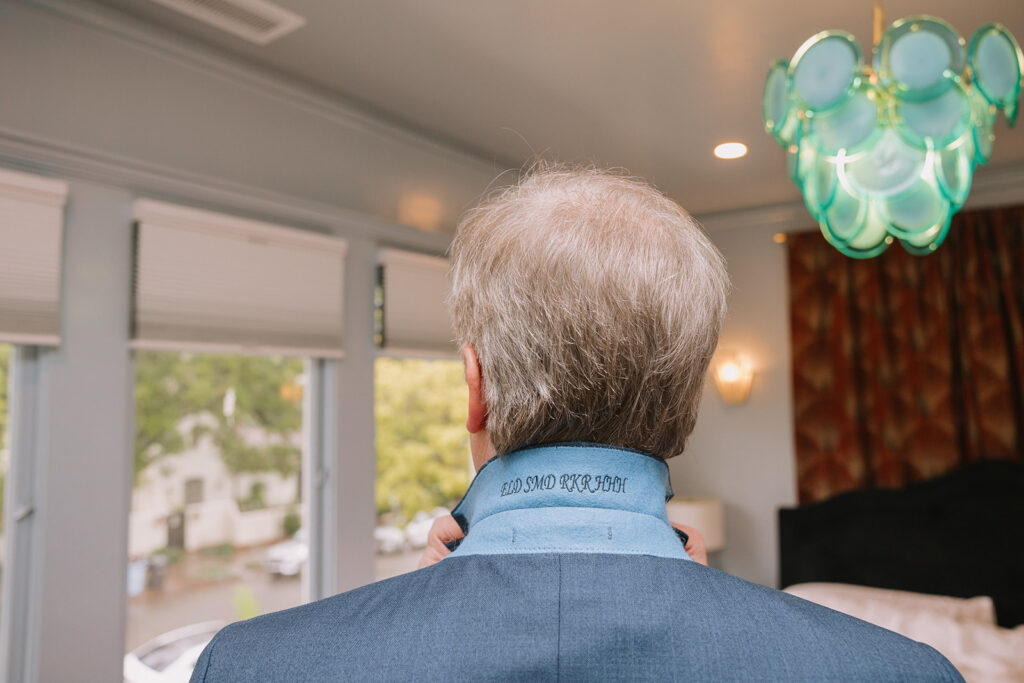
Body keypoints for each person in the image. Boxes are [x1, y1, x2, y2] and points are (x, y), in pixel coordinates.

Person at [190, 166, 962, 682]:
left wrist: (407, 628)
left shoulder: (251, 665)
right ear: (686, 399)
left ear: (475, 389)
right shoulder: (905, 673)